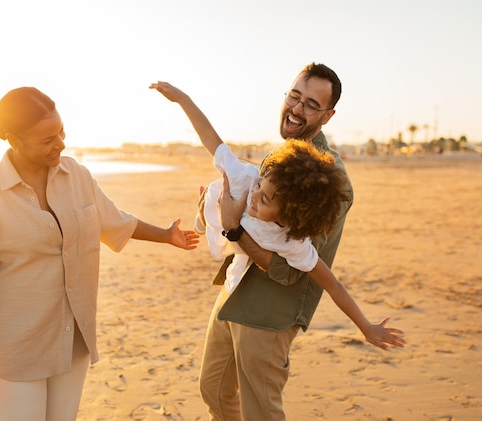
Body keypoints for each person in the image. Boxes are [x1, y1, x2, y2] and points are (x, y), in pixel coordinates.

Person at [153, 64, 406, 421]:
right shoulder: (281, 158)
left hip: (271, 311)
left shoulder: (327, 180)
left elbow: (293, 271)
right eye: (294, 96)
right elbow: (226, 164)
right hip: (236, 288)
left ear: (328, 115)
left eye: (311, 105)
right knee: (214, 391)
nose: (297, 109)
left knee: (261, 411)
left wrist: (232, 229)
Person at [0, 86, 199, 420]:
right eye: (47, 139)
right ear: (15, 141)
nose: (61, 143)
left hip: (71, 342)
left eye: (61, 131)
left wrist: (166, 236)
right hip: (13, 351)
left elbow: (114, 221)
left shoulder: (77, 176)